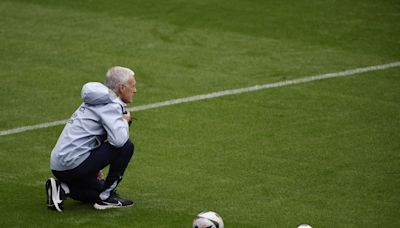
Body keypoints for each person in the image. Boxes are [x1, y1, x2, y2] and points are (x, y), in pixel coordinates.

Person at [46, 66, 137, 212]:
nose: (135, 90)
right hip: (73, 166)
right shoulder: (111, 105)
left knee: (99, 188)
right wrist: (125, 121)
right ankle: (106, 199)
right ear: (121, 88)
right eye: (132, 86)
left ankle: (63, 188)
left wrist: (96, 167)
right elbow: (119, 141)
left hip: (59, 165)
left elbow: (90, 136)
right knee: (126, 147)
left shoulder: (96, 98)